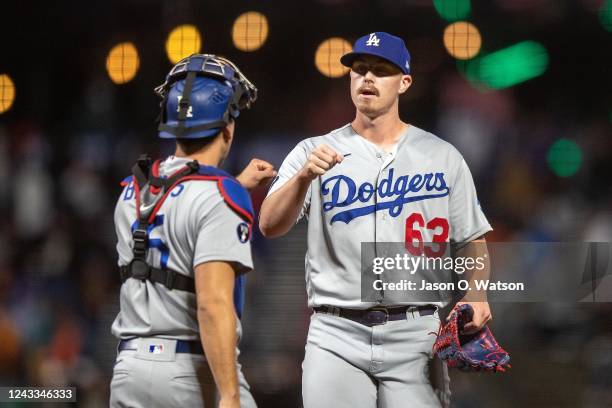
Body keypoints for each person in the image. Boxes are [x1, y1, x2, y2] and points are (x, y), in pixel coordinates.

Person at [259, 32, 493, 408]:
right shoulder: (312, 151)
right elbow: (269, 225)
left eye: (381, 70)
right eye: (360, 69)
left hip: (417, 331)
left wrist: (476, 294)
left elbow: (471, 240)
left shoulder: (442, 156)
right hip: (335, 332)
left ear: (404, 82)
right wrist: (303, 177)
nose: (367, 78)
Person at [110, 54, 276, 408]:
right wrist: (229, 395)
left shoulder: (132, 188)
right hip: (191, 370)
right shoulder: (221, 195)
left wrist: (235, 186)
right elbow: (213, 304)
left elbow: (181, 201)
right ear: (227, 128)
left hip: (127, 371)